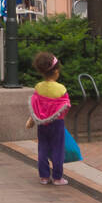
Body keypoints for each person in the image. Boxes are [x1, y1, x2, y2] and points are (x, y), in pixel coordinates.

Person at [26, 51, 71, 185]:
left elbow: (35, 106)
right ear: (56, 71)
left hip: (41, 124)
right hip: (57, 123)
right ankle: (57, 177)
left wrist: (31, 120)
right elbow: (66, 106)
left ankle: (44, 176)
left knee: (43, 148)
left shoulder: (39, 87)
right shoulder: (61, 89)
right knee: (58, 149)